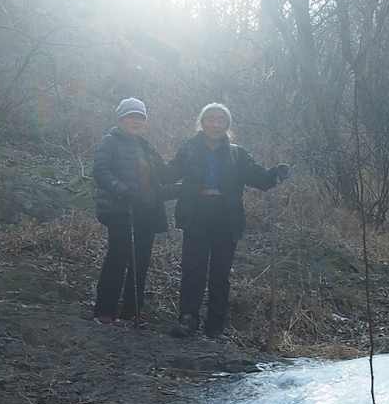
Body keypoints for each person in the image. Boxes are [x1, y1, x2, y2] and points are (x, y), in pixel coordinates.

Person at [168, 102, 290, 338]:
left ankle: (215, 325)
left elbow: (260, 179)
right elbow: (170, 173)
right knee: (193, 270)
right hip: (196, 215)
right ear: (201, 123)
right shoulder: (189, 149)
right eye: (210, 119)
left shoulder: (237, 153)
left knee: (220, 273)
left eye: (220, 120)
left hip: (226, 218)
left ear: (227, 125)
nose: (215, 124)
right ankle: (188, 319)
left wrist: (276, 174)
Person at [92, 97, 174, 324]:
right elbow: (100, 171)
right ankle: (104, 311)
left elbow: (165, 175)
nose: (136, 121)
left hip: (147, 212)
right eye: (131, 116)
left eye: (140, 117)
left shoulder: (146, 146)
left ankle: (131, 312)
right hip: (121, 210)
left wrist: (186, 182)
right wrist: (121, 189)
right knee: (117, 259)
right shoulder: (110, 142)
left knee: (141, 262)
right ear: (120, 119)